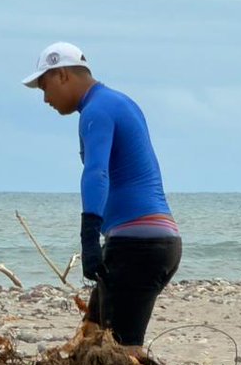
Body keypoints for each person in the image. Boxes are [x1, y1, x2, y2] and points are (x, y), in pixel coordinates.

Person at [22, 42, 182, 348]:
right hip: (152, 242)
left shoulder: (96, 110)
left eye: (45, 86)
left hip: (138, 246)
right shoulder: (119, 102)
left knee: (120, 356)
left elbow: (96, 173)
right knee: (90, 341)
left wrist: (88, 238)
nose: (45, 99)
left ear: (63, 75)